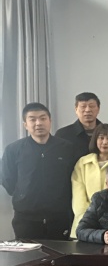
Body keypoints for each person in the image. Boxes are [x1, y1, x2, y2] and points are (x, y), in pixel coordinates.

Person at [1, 102, 78, 239]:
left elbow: (74, 178)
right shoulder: (13, 149)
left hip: (59, 217)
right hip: (25, 218)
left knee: (60, 252)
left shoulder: (66, 148)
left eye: (43, 118)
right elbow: (7, 179)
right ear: (25, 124)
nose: (38, 123)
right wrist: (23, 194)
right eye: (32, 119)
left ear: (50, 121)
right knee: (28, 252)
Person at [70, 124, 108, 238]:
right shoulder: (83, 163)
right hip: (85, 221)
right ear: (95, 140)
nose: (105, 142)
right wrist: (86, 216)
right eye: (101, 138)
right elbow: (78, 194)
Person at [55, 92, 102, 156]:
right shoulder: (63, 135)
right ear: (76, 109)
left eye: (91, 106)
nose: (87, 110)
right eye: (83, 106)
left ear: (98, 109)